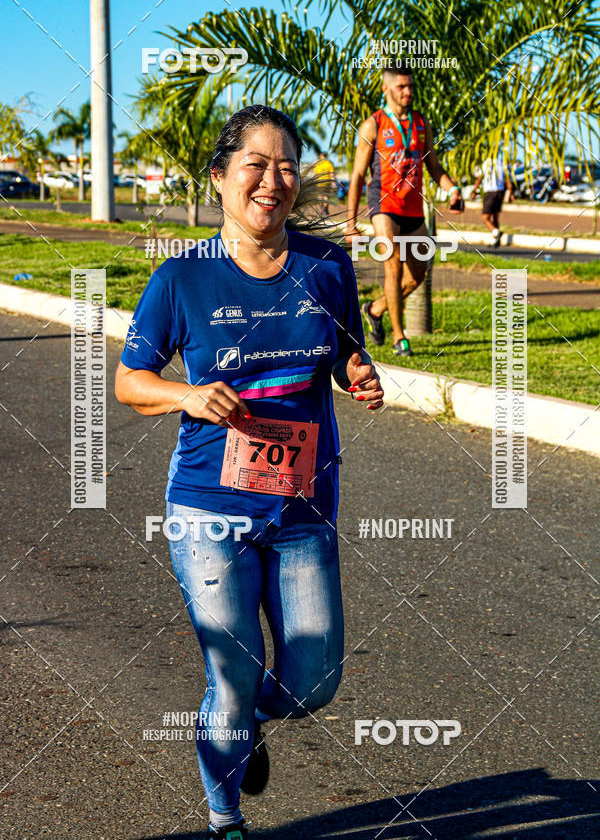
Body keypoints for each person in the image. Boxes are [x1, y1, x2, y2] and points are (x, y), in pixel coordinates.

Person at [114, 105, 383, 840]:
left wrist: (359, 373)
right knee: (230, 673)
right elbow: (130, 380)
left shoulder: (325, 266)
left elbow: (345, 352)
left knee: (313, 683)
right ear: (221, 178)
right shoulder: (183, 278)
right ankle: (224, 817)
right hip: (209, 507)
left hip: (302, 509)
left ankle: (249, 720)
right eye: (255, 165)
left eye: (287, 164)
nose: (273, 180)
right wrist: (188, 394)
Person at [346, 62, 463, 356]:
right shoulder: (373, 124)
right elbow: (358, 176)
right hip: (383, 204)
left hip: (412, 208)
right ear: (387, 88)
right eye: (401, 87)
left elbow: (434, 167)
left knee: (418, 274)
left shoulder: (421, 123)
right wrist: (350, 223)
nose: (408, 91)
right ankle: (400, 338)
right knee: (393, 264)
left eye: (410, 86)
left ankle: (374, 309)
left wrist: (453, 189)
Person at [471, 155, 514, 247]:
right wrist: (511, 193)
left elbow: (479, 178)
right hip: (500, 193)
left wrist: (474, 190)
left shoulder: (486, 163)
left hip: (490, 193)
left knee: (485, 218)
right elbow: (507, 180)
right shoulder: (501, 163)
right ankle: (495, 241)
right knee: (495, 217)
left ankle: (496, 232)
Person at [313, 150, 336, 216]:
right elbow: (332, 175)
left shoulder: (317, 164)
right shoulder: (329, 163)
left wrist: (314, 182)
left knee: (320, 197)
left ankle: (321, 208)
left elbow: (315, 175)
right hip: (327, 182)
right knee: (326, 197)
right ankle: (325, 210)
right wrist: (333, 183)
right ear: (326, 156)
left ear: (320, 156)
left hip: (319, 182)